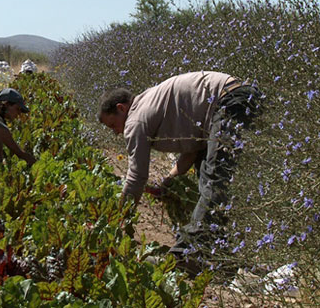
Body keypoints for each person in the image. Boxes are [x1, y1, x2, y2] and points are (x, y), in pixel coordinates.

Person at [98, 71, 262, 275]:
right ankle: (217, 255)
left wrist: (118, 218)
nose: (116, 132)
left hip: (230, 102)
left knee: (214, 183)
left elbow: (136, 177)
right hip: (237, 97)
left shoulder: (135, 120)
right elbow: (193, 150)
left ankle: (185, 257)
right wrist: (169, 179)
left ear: (121, 108)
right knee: (209, 181)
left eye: (113, 125)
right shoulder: (152, 102)